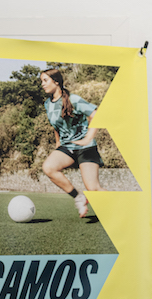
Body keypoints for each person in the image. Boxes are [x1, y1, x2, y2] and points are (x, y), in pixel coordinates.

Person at [39, 68, 104, 218]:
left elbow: (95, 115)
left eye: (45, 80)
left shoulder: (73, 99)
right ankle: (79, 197)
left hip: (86, 148)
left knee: (93, 189)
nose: (42, 84)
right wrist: (58, 145)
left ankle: (122, 208)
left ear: (56, 81)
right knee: (48, 167)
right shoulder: (48, 104)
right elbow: (56, 126)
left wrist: (88, 138)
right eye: (41, 81)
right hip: (67, 147)